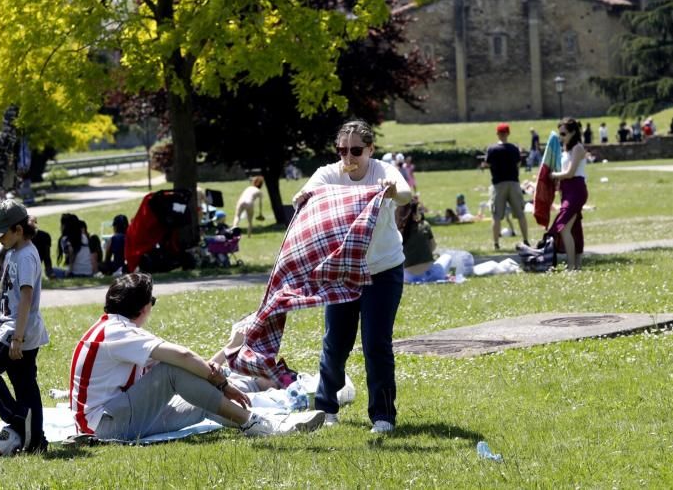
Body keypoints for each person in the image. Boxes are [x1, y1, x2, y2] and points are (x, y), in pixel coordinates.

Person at [69, 272, 324, 440]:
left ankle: (270, 425)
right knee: (173, 370)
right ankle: (255, 422)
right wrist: (223, 383)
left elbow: (190, 367)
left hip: (117, 418)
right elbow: (180, 358)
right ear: (144, 307)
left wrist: (223, 370)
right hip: (105, 426)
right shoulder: (118, 332)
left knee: (202, 398)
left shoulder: (115, 329)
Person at [294, 119, 411, 434]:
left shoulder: (382, 172)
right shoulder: (329, 174)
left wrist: (391, 190)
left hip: (383, 270)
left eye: (356, 151)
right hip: (342, 271)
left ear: (370, 149)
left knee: (376, 343)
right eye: (342, 150)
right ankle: (325, 409)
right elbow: (305, 194)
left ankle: (383, 416)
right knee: (336, 341)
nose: (348, 158)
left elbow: (405, 194)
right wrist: (303, 199)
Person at [0, 200, 49, 455]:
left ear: (18, 229)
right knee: (25, 385)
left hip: (17, 330)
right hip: (15, 328)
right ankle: (36, 441)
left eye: (2, 234)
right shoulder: (16, 251)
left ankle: (18, 418)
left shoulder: (26, 255)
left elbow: (26, 297)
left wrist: (17, 337)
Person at [481, 123, 530, 251]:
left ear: (497, 134)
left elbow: (487, 164)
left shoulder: (492, 149)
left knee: (496, 216)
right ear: (508, 133)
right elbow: (518, 163)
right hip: (513, 183)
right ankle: (526, 240)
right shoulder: (514, 148)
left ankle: (496, 243)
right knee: (520, 214)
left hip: (498, 184)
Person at [550, 118, 588, 271]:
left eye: (563, 133)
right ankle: (576, 265)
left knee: (563, 227)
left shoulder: (578, 148)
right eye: (559, 134)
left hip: (576, 189)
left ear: (573, 132)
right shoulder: (566, 148)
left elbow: (570, 173)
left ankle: (571, 266)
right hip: (566, 190)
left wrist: (553, 175)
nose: (561, 137)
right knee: (574, 228)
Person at [54, 213, 93, 278]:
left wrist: (69, 270)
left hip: (75, 273)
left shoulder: (65, 239)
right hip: (89, 273)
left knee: (52, 270)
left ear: (64, 226)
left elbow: (71, 251)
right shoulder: (84, 237)